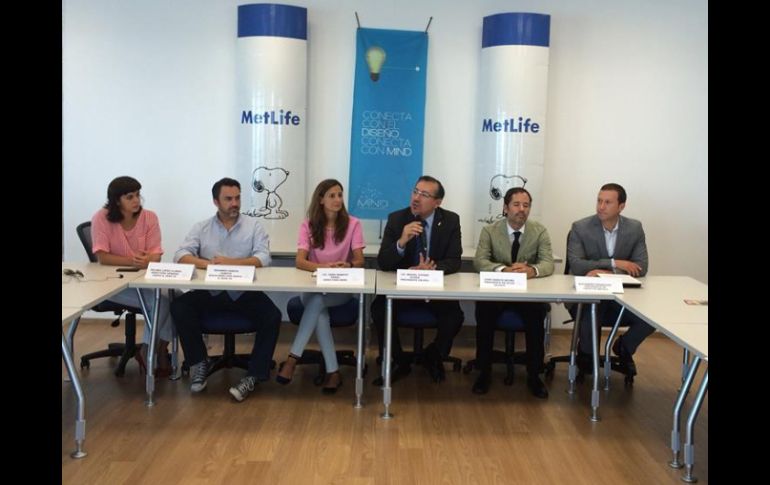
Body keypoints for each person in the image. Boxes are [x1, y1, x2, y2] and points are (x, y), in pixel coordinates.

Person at [170, 177, 282, 402]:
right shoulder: (201, 227)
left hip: (244, 293)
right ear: (216, 201)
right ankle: (199, 362)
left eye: (237, 198)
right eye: (228, 199)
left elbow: (264, 257)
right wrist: (208, 264)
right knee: (179, 306)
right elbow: (180, 255)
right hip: (210, 292)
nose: (234, 203)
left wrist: (232, 263)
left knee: (272, 316)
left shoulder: (253, 226)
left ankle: (254, 375)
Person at [371, 175, 464, 385]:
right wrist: (401, 242)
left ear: (437, 202)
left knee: (454, 316)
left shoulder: (450, 221)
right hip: (403, 288)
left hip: (434, 289)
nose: (416, 198)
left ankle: (434, 355)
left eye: (424, 195)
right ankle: (398, 360)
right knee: (378, 310)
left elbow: (454, 260)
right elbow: (383, 262)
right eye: (415, 192)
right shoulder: (397, 219)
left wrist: (432, 269)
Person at [275, 179, 365, 393]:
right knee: (318, 306)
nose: (337, 199)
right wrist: (323, 268)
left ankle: (292, 359)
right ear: (321, 199)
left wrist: (348, 265)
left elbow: (360, 261)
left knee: (317, 305)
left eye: (340, 195)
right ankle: (333, 372)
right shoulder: (308, 225)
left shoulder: (353, 224)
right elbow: (300, 261)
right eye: (332, 195)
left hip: (340, 290)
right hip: (314, 286)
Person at [473, 187, 553, 398]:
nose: (521, 209)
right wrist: (503, 270)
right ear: (506, 207)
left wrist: (532, 270)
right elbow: (480, 261)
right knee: (484, 312)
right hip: (497, 292)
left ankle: (534, 375)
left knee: (536, 316)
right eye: (516, 204)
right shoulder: (490, 231)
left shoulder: (539, 231)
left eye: (526, 205)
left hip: (526, 294)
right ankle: (484, 372)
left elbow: (548, 263)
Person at [90, 176, 173, 377]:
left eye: (137, 195)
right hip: (112, 285)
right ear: (117, 201)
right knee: (161, 301)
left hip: (143, 280)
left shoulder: (149, 217)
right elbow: (102, 257)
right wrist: (133, 261)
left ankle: (160, 347)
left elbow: (156, 254)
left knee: (176, 296)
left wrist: (148, 259)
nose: (136, 200)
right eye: (129, 197)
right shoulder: (101, 218)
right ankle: (148, 351)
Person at [567, 182, 654, 376]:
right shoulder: (581, 227)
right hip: (588, 295)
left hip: (621, 296)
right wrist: (616, 263)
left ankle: (623, 347)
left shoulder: (634, 228)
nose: (601, 206)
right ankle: (587, 357)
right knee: (591, 313)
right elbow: (577, 265)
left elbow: (641, 267)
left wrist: (606, 272)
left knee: (650, 317)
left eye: (607, 202)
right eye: (599, 201)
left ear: (621, 206)